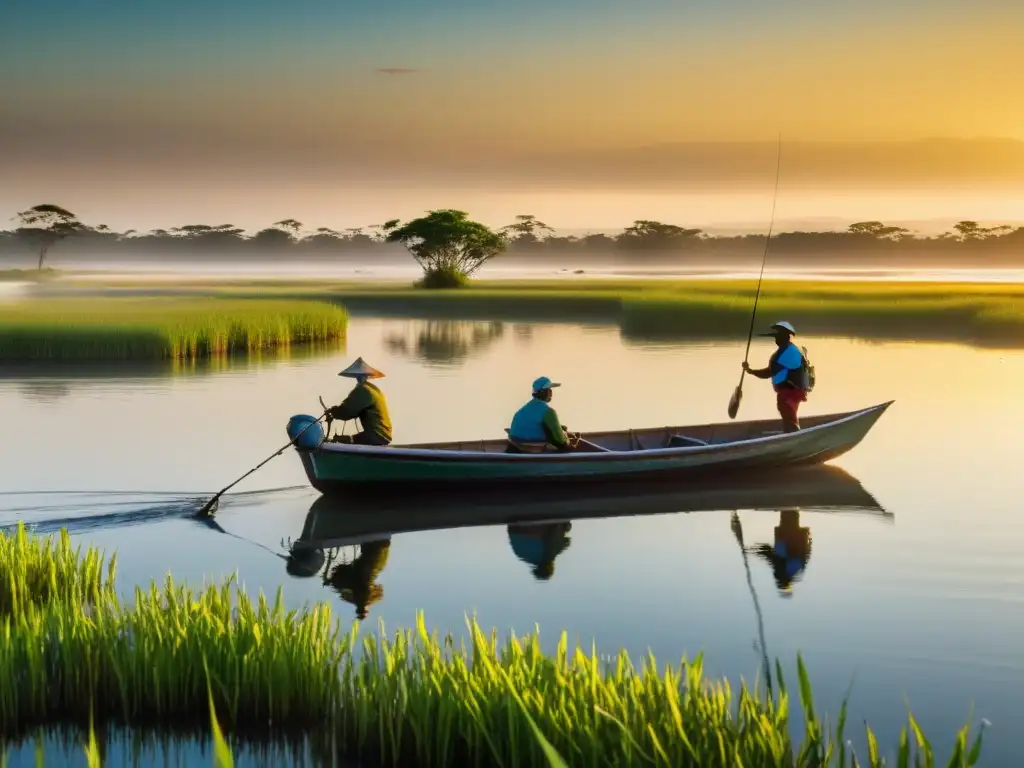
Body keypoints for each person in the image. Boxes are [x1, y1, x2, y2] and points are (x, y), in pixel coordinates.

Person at [742, 320, 808, 432]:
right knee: (788, 416)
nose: (776, 339)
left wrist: (751, 371)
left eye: (778, 336)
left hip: (790, 392)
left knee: (789, 418)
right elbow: (770, 371)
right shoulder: (783, 351)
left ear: (786, 337)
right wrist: (750, 370)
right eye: (775, 336)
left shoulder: (790, 352)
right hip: (787, 392)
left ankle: (793, 437)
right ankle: (790, 434)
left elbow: (770, 372)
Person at [325, 357, 393, 446]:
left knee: (341, 440)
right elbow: (351, 408)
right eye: (358, 377)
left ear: (365, 376)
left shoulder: (363, 390)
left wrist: (333, 412)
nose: (359, 378)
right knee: (346, 439)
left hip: (376, 436)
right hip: (384, 435)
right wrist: (336, 411)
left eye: (361, 376)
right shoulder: (373, 389)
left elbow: (346, 411)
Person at [506, 376, 580, 452]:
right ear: (544, 392)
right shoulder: (549, 412)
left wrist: (559, 428)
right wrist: (566, 437)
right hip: (533, 450)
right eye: (549, 390)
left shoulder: (522, 410)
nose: (551, 393)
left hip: (514, 447)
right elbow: (561, 442)